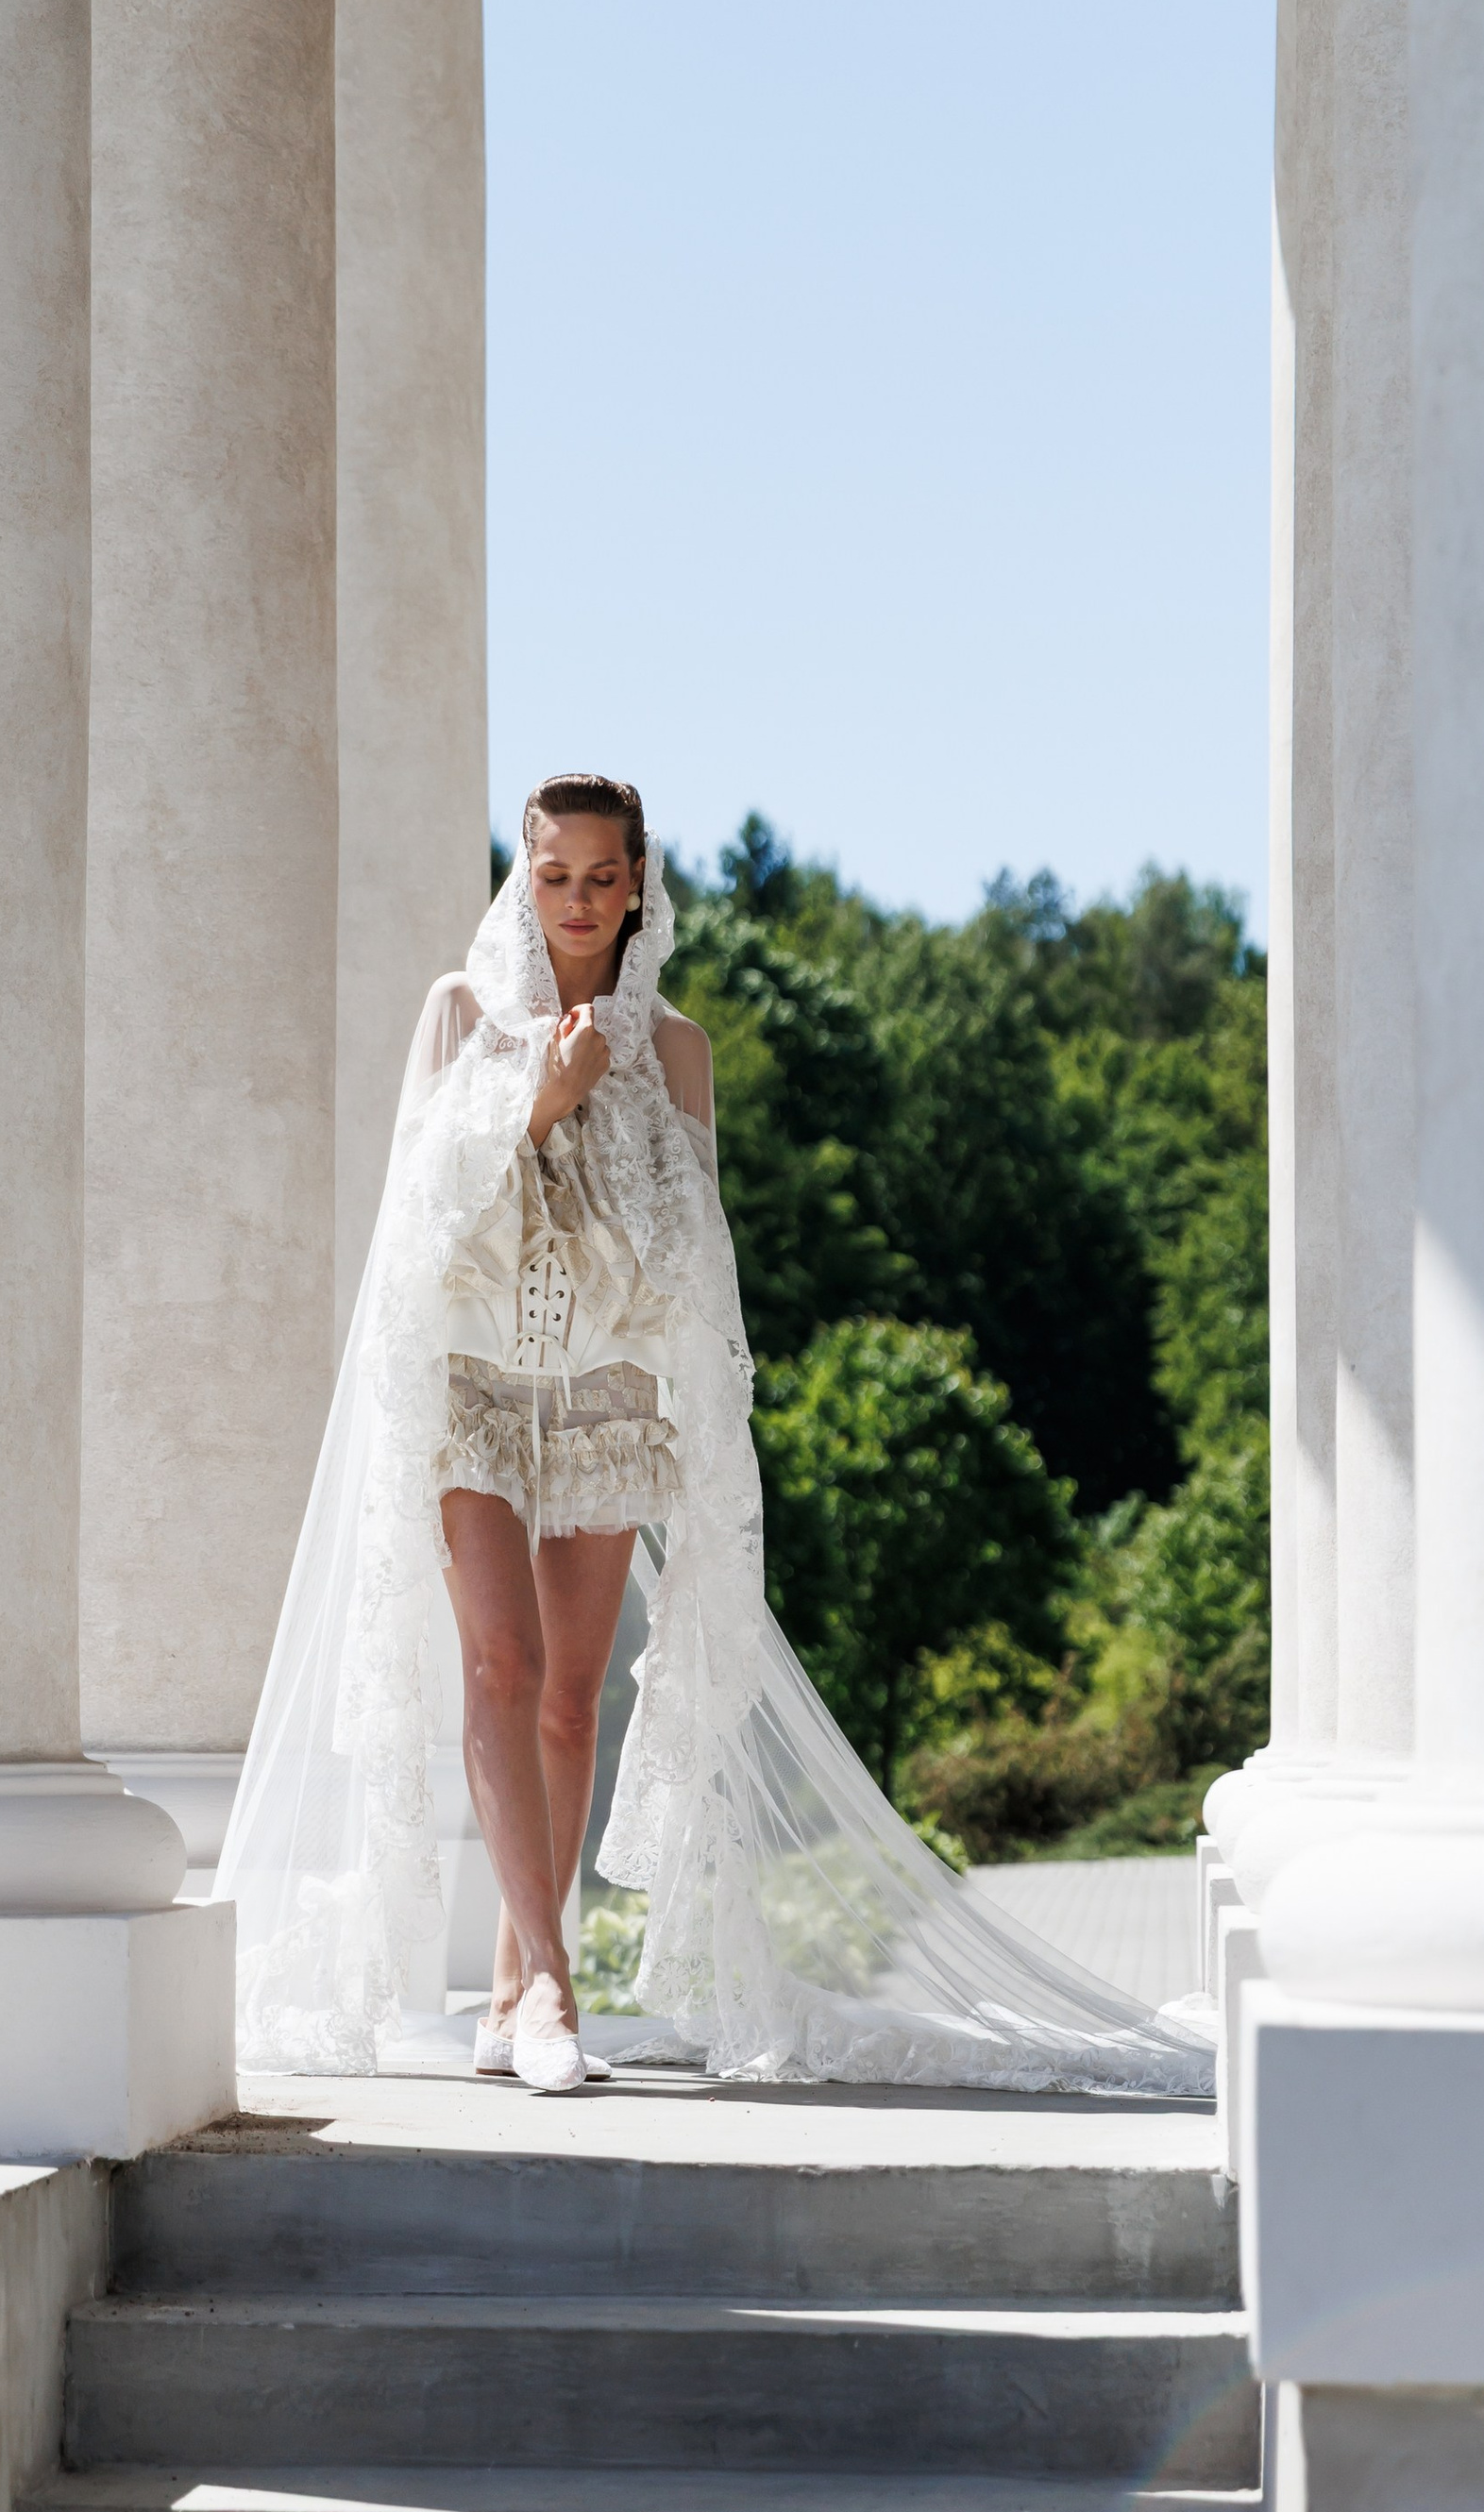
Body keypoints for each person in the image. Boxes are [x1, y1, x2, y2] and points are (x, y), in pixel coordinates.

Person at [217, 772, 1212, 2101]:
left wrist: (607, 1095)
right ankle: (562, 1983)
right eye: (554, 874)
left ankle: (520, 1973)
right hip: (469, 1385)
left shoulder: (678, 1047)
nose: (577, 901)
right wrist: (537, 1097)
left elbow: (694, 1253)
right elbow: (412, 1225)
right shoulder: (456, 1016)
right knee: (497, 1666)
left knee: (575, 1693)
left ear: (640, 883)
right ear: (525, 876)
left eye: (601, 876)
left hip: (610, 1388)